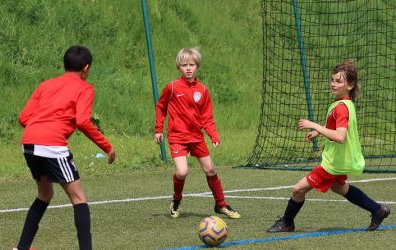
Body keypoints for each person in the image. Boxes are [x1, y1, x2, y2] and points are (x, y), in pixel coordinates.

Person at [267, 60, 390, 233]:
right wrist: (319, 132)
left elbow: (340, 136)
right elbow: (337, 128)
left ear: (351, 85)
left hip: (332, 163)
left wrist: (315, 125)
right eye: (332, 80)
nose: (333, 84)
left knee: (298, 189)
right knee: (339, 187)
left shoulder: (341, 107)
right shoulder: (346, 103)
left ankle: (287, 222)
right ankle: (378, 210)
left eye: (339, 81)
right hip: (339, 160)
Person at [14, 45, 116, 250]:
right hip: (51, 146)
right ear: (86, 68)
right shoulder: (85, 88)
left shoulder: (46, 85)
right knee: (79, 198)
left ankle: (21, 248)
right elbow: (83, 121)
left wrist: (41, 127)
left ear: (65, 64)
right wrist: (107, 147)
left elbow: (24, 118)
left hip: (29, 144)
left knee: (45, 194)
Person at [155, 47, 240, 219]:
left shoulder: (202, 90)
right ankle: (177, 200)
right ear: (178, 67)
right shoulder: (171, 87)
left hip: (196, 137)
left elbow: (207, 116)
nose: (188, 68)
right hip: (177, 136)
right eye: (184, 65)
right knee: (182, 172)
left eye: (192, 64)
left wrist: (213, 135)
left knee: (210, 169)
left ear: (197, 67)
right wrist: (158, 130)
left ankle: (221, 204)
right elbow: (161, 107)